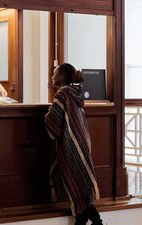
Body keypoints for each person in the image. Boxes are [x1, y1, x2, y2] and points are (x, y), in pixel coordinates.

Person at [45, 63, 103, 225]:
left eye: (54, 73)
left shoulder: (62, 95)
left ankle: (98, 222)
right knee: (81, 188)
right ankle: (91, 222)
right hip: (82, 142)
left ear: (62, 76)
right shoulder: (75, 94)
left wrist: (45, 117)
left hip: (70, 145)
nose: (52, 77)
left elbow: (53, 122)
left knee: (78, 187)